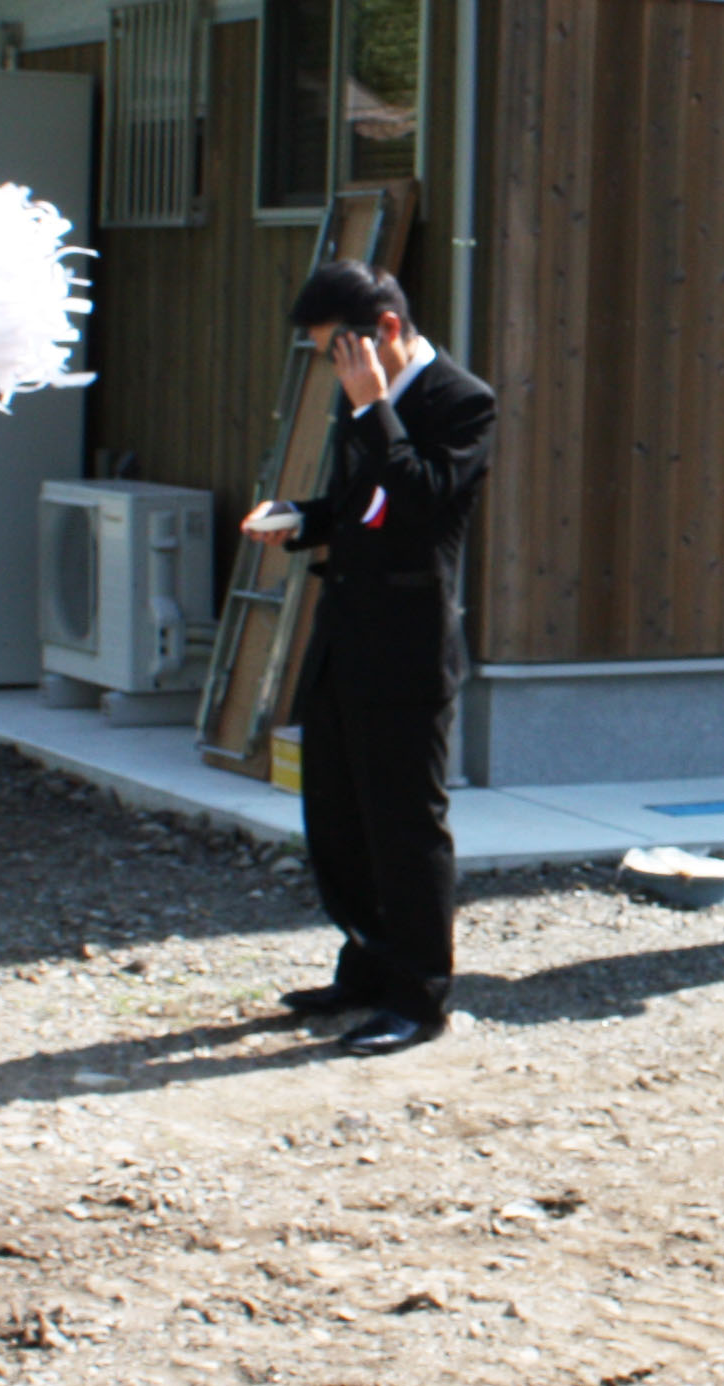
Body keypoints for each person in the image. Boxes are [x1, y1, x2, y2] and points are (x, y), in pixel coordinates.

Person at [242, 260, 496, 1057]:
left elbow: (419, 505)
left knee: (405, 826)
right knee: (339, 817)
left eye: (337, 350)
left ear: (385, 331)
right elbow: (368, 509)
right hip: (345, 629)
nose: (335, 368)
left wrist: (375, 409)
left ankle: (420, 996)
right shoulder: (367, 400)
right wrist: (304, 518)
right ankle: (366, 966)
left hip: (409, 643)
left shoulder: (461, 401)